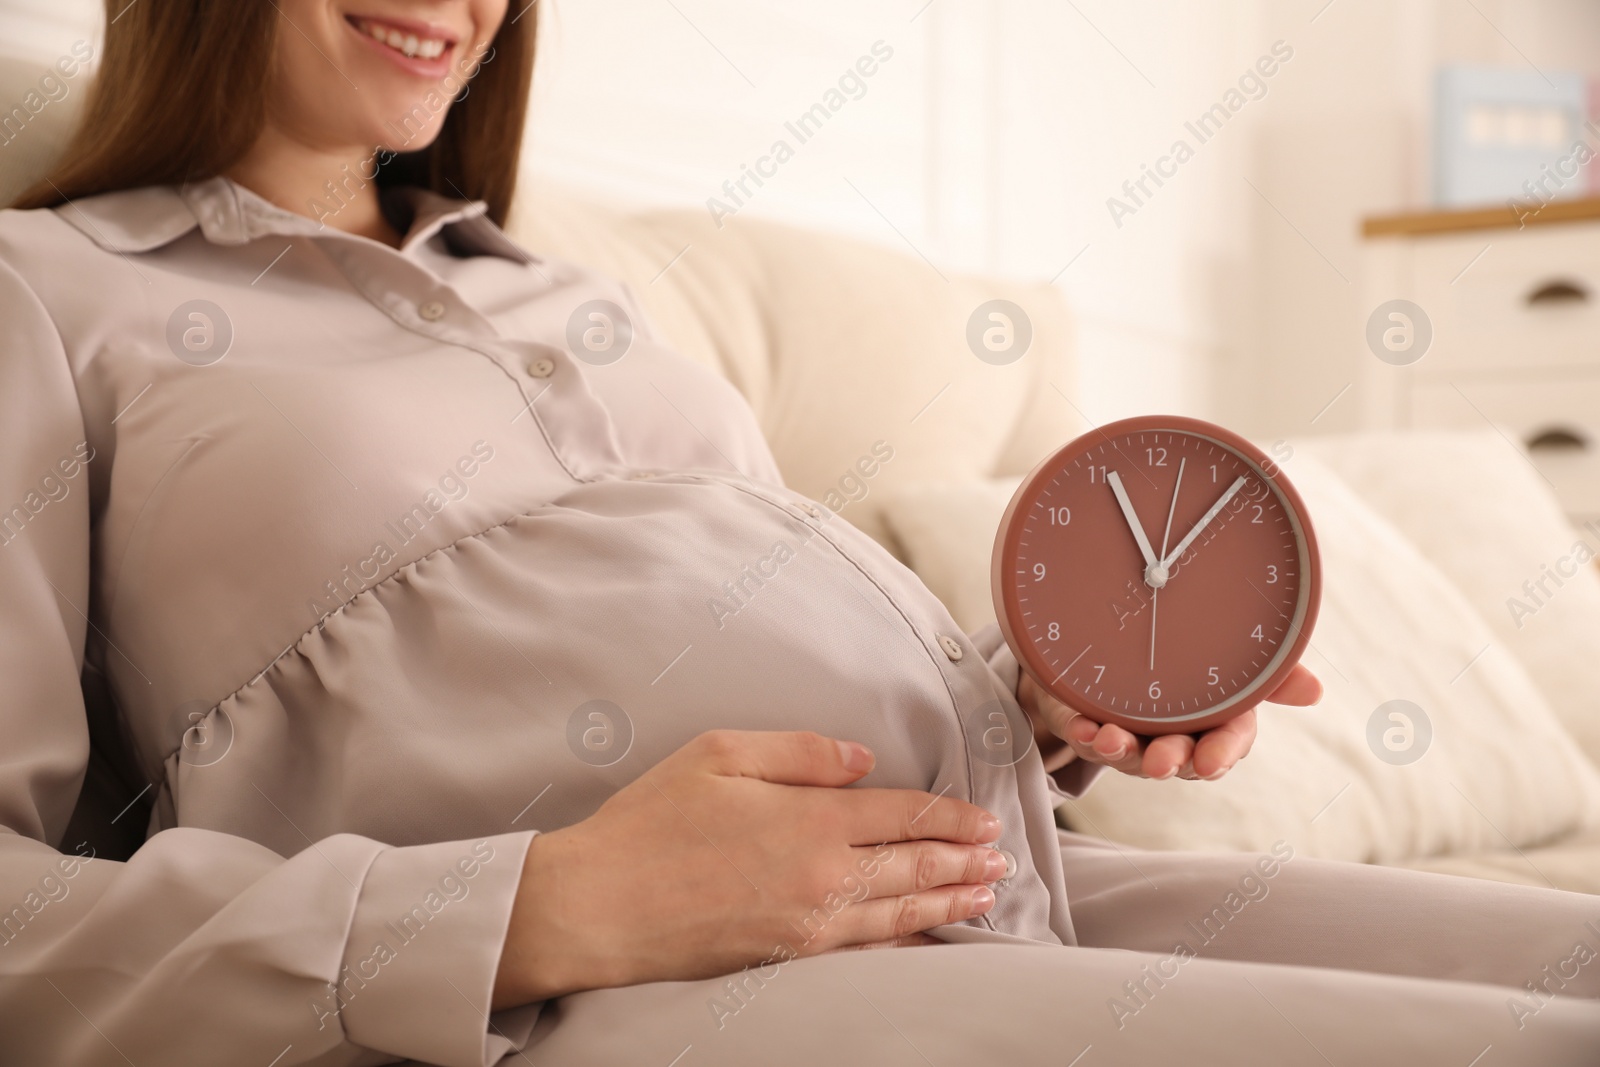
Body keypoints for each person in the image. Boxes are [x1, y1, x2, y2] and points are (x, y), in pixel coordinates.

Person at [0, 2, 1592, 1065]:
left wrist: (1039, 710)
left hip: (991, 866)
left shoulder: (569, 295)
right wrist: (536, 906)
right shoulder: (53, 296)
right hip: (605, 988)